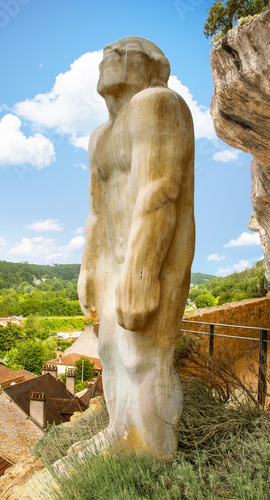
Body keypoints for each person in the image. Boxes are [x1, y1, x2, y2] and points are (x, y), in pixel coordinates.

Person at [77, 36, 195, 460]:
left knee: (143, 358)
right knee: (110, 352)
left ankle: (153, 453)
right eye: (107, 50)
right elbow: (96, 213)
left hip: (155, 255)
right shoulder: (100, 137)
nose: (109, 53)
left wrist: (141, 272)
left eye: (124, 51)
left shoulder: (158, 104)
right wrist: (88, 271)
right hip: (113, 261)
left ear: (152, 67)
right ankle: (119, 433)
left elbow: (161, 191)